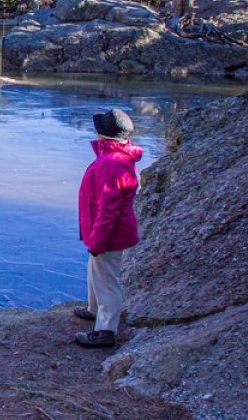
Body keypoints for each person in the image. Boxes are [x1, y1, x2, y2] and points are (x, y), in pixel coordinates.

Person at [73, 108, 143, 348]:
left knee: (107, 281)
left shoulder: (111, 164)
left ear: (104, 134)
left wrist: (98, 240)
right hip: (105, 233)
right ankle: (94, 309)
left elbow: (109, 210)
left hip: (109, 235)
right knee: (96, 271)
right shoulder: (115, 157)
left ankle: (105, 330)